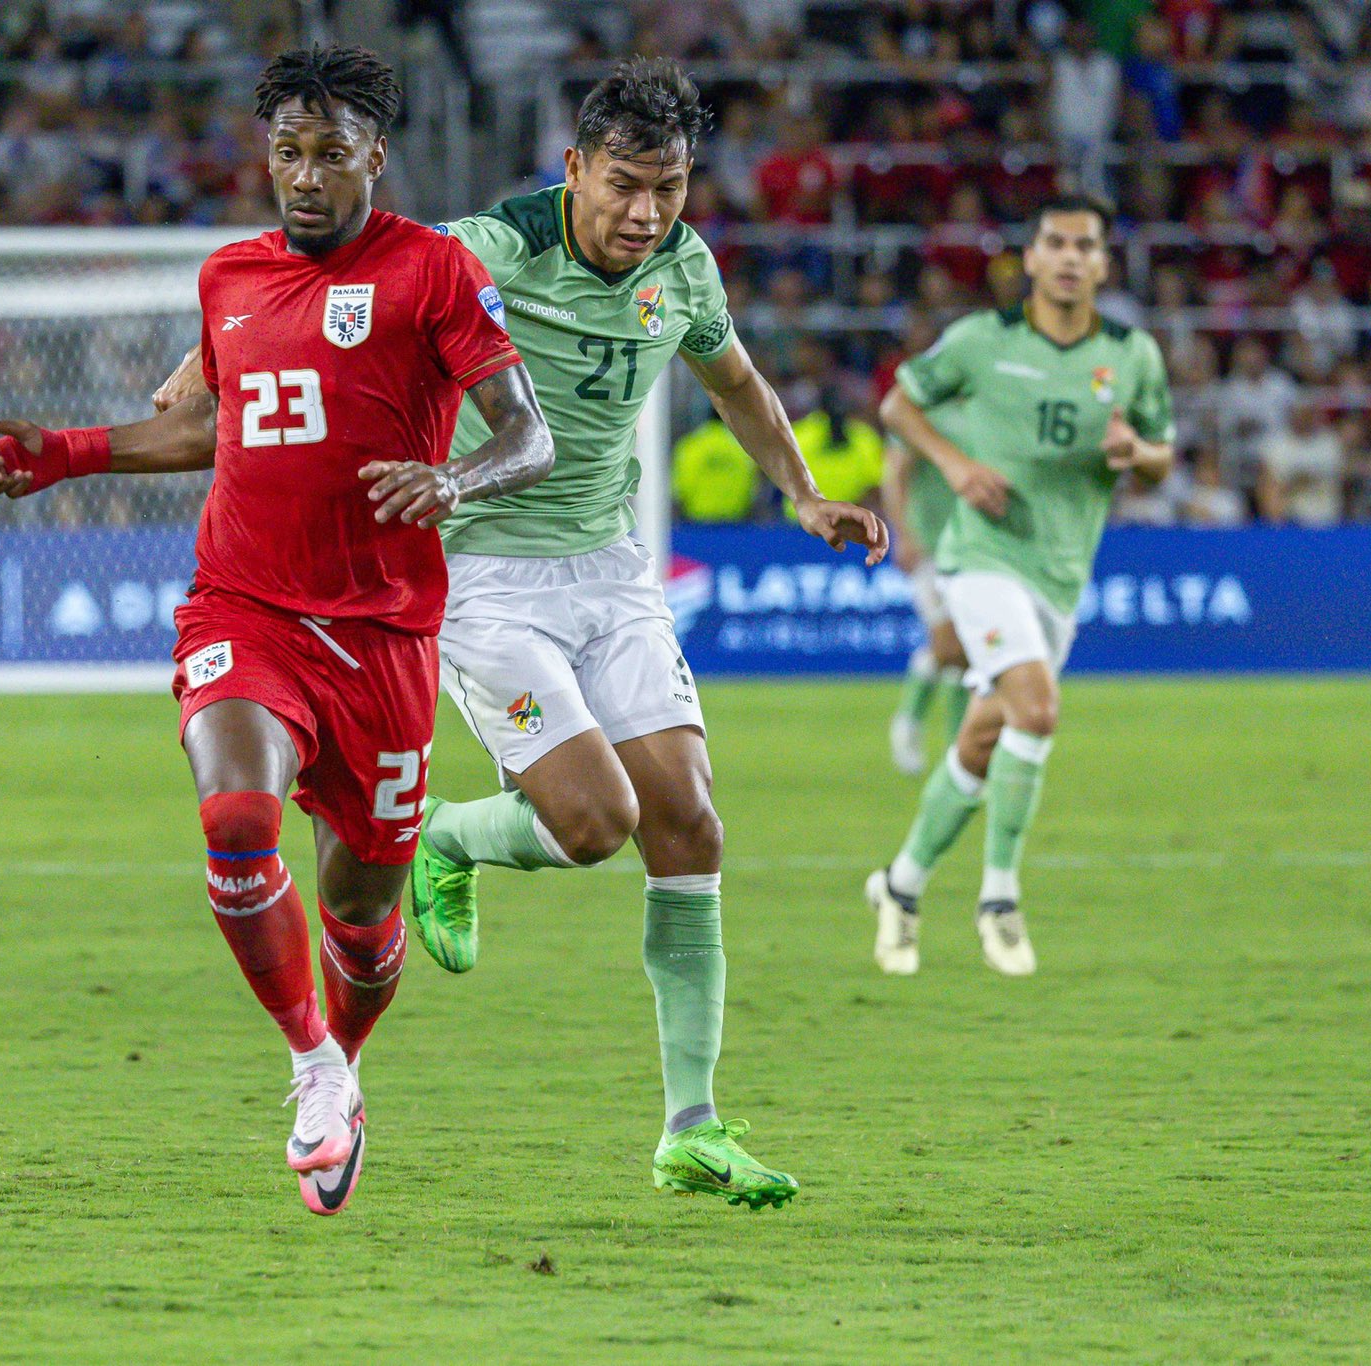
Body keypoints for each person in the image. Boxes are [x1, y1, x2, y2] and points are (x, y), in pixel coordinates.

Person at [153, 57, 883, 1210]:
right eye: (625, 186)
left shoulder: (682, 270)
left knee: (689, 823)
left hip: (611, 569)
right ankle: (441, 836)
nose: (646, 213)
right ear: (574, 170)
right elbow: (342, 271)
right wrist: (205, 358)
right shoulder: (493, 248)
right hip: (482, 571)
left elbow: (735, 382)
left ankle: (689, 1125)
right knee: (596, 823)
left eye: (671, 188)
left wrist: (798, 492)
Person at [0, 45, 554, 1218]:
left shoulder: (431, 272)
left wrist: (456, 481)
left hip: (383, 638)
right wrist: (65, 457)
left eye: (331, 153)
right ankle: (312, 1067)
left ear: (374, 158)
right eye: (286, 151)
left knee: (364, 917)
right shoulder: (228, 275)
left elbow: (528, 437)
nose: (304, 175)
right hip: (245, 604)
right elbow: (220, 429)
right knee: (235, 819)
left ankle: (347, 1058)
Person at [867, 193, 1175, 977]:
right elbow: (898, 405)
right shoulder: (979, 342)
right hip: (981, 557)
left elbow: (1163, 455)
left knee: (983, 734)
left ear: (1104, 264)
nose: (1070, 257)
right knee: (1037, 709)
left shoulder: (1133, 355)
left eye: (1086, 246)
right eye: (1056, 243)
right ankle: (999, 897)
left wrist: (1134, 452)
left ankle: (899, 887)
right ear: (1032, 258)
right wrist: (956, 464)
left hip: (1063, 573)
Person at [883, 403, 971, 775]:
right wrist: (902, 533)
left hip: (976, 548)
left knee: (969, 650)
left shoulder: (987, 406)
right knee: (949, 646)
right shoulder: (923, 408)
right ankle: (908, 722)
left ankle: (957, 749)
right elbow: (896, 472)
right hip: (931, 545)